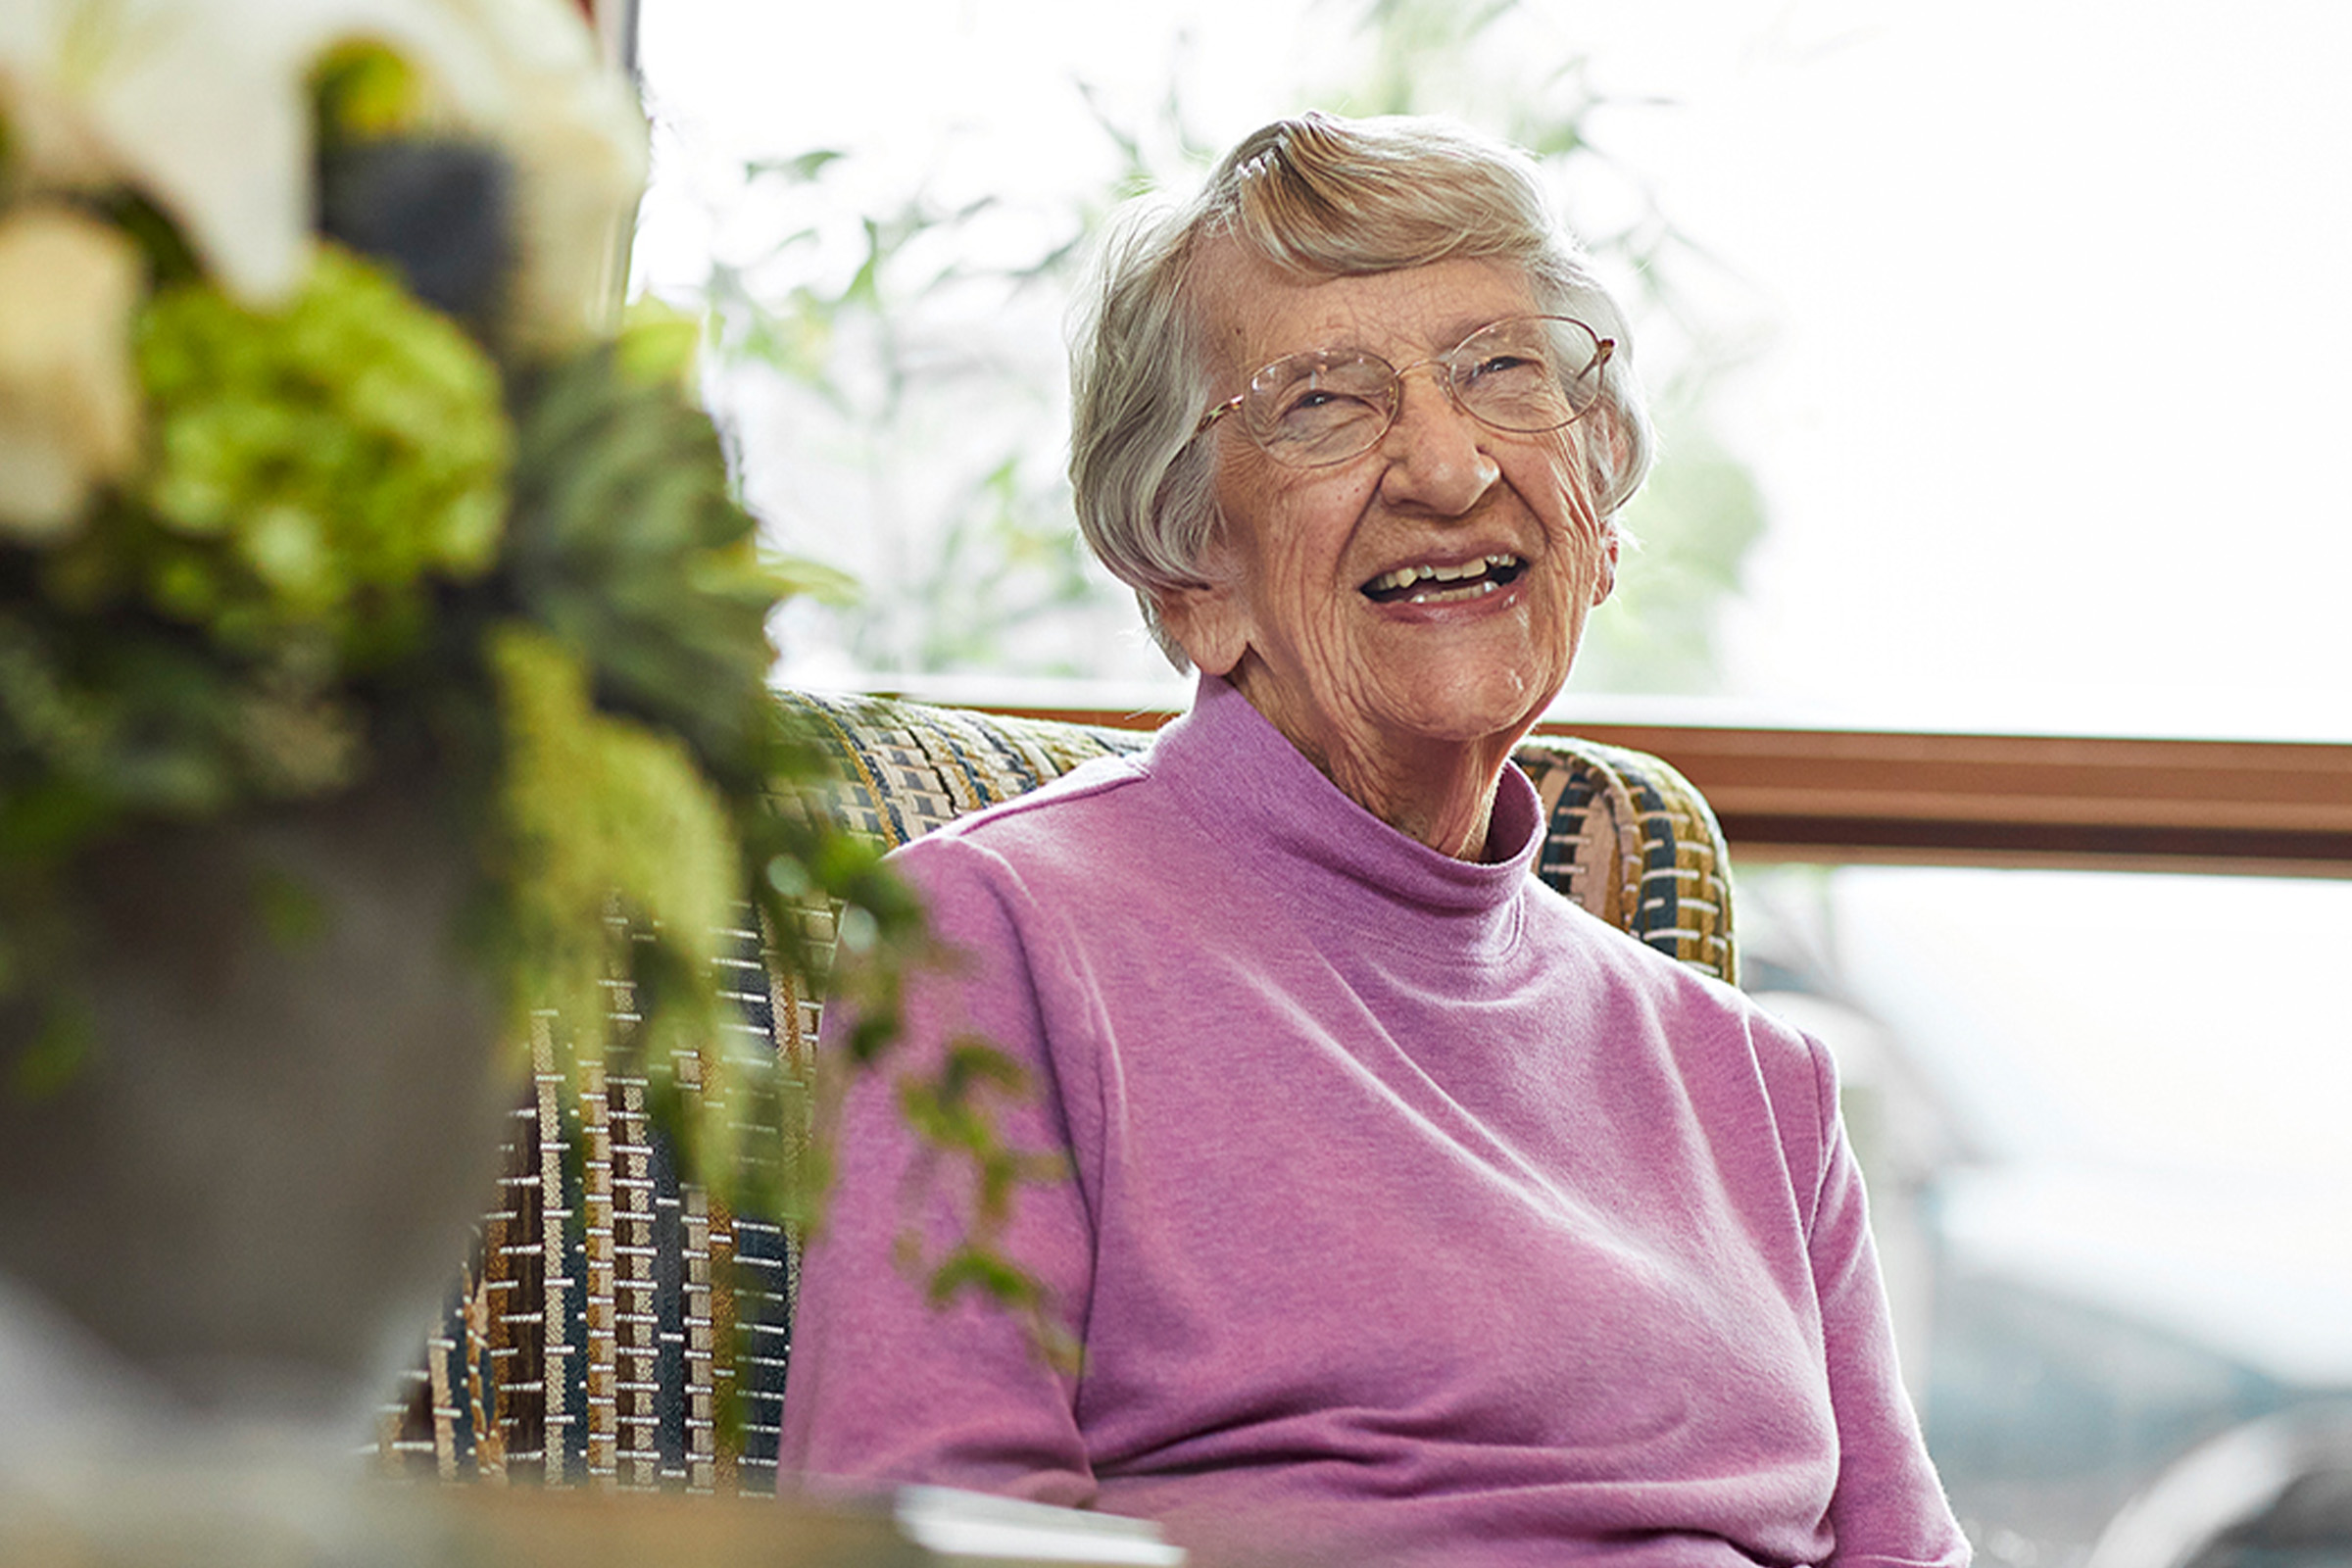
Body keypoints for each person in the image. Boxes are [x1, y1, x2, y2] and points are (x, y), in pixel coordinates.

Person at [779, 110, 1969, 1568]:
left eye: (1503, 372)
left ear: (1598, 517)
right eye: (1325, 404)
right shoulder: (992, 943)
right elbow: (928, 1538)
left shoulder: (1759, 1084)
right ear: (1188, 571)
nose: (1448, 467)